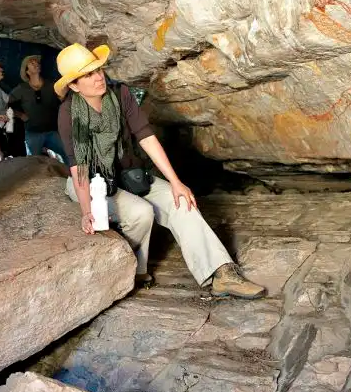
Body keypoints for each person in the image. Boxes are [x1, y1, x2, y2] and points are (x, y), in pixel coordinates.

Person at [55, 43, 266, 298]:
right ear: (74, 86)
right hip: (92, 181)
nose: (98, 77)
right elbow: (79, 165)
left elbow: (146, 138)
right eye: (88, 74)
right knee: (141, 213)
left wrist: (176, 182)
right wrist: (87, 211)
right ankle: (133, 269)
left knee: (183, 202)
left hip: (129, 176)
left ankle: (221, 273)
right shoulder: (69, 113)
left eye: (98, 70)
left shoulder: (120, 94)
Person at [10, 54, 69, 163]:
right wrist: (20, 115)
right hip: (33, 133)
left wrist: (63, 95)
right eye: (32, 63)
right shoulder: (21, 89)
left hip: (52, 132)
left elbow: (62, 101)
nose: (36, 64)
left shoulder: (51, 85)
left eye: (37, 63)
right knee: (33, 164)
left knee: (69, 155)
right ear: (27, 71)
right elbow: (5, 105)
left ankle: (73, 179)